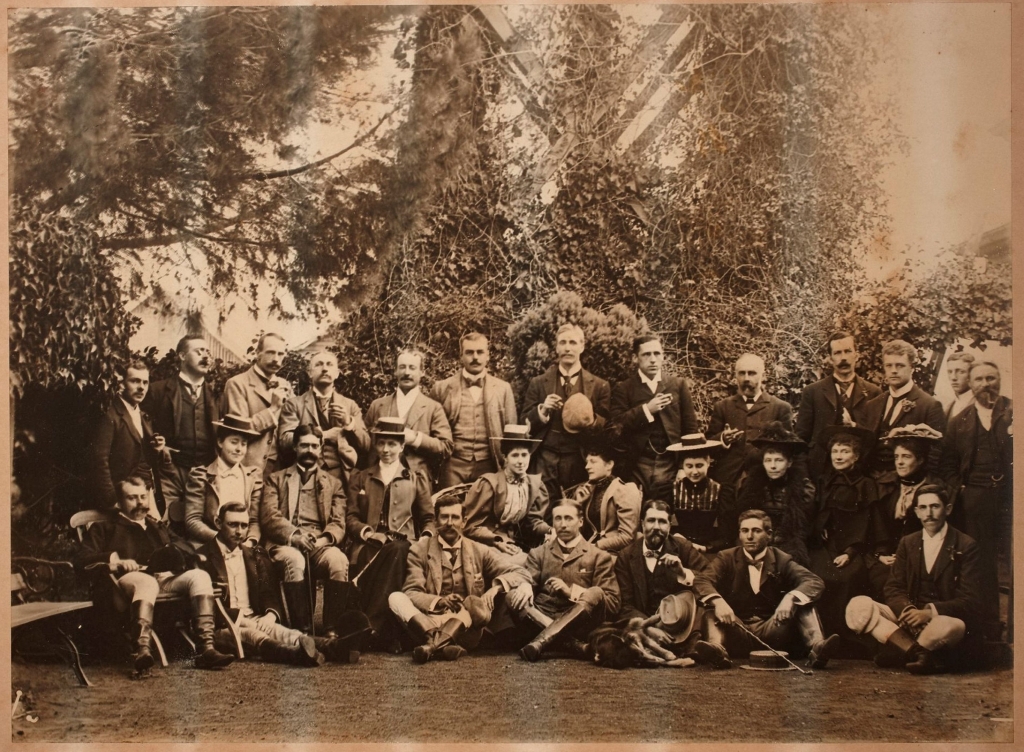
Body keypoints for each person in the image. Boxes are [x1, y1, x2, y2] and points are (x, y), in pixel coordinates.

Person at [74, 473, 235, 671]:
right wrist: (115, 561)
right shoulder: (105, 528)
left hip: (162, 579)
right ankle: (141, 650)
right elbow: (82, 560)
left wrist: (175, 554)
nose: (140, 503)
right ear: (119, 501)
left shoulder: (155, 525)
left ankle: (206, 649)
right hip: (124, 584)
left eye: (143, 497)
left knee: (200, 576)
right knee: (147, 582)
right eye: (132, 498)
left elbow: (183, 546)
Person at [200, 503, 362, 666]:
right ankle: (296, 654)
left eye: (244, 526)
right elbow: (205, 607)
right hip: (224, 626)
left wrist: (271, 615)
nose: (239, 531)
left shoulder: (253, 554)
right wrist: (241, 618)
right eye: (232, 524)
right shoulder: (203, 556)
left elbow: (267, 593)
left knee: (285, 632)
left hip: (255, 618)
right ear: (218, 523)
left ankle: (336, 647)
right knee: (254, 635)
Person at [846, 484, 984, 673]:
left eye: (935, 506)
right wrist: (907, 610)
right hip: (908, 619)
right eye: (923, 508)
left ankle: (899, 653)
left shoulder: (966, 545)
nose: (929, 513)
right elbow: (893, 587)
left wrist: (929, 613)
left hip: (941, 620)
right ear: (917, 512)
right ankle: (917, 653)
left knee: (952, 625)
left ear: (948, 509)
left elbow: (970, 599)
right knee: (857, 606)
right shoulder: (908, 542)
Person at [388, 495, 531, 662]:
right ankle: (441, 644)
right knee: (396, 598)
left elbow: (521, 573)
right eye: (444, 517)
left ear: (464, 521)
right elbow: (412, 592)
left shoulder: (479, 550)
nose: (450, 523)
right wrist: (439, 601)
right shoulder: (419, 550)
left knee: (472, 605)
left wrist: (496, 587)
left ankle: (431, 646)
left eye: (455, 517)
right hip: (428, 621)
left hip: (465, 625)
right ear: (435, 522)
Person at [692, 509, 840, 669]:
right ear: (739, 534)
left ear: (769, 535)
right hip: (736, 628)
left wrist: (791, 598)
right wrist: (718, 601)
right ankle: (717, 651)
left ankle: (817, 648)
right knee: (710, 610)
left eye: (756, 531)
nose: (749, 537)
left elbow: (814, 581)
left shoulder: (781, 559)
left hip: (773, 630)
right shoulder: (726, 557)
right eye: (744, 531)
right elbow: (701, 580)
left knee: (803, 601)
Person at [259, 424, 356, 637]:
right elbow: (269, 517)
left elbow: (338, 521)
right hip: (286, 542)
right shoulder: (276, 479)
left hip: (319, 542)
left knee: (338, 560)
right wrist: (295, 536)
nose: (309, 451)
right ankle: (300, 629)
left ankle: (331, 629)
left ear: (321, 448)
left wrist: (322, 540)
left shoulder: (334, 483)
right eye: (304, 445)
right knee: (295, 560)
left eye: (314, 446)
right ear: (295, 447)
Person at [939, 360, 1012, 640]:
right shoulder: (960, 421)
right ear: (971, 384)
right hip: (976, 501)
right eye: (979, 379)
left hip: (1010, 498)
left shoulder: (1014, 411)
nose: (986, 385)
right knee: (983, 565)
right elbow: (947, 463)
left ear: (999, 380)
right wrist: (960, 491)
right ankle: (990, 630)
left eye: (991, 378)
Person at [346, 417, 435, 641]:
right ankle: (389, 634)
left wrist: (424, 539)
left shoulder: (415, 478)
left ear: (402, 446)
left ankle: (372, 624)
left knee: (397, 550)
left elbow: (428, 518)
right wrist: (367, 532)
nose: (386, 450)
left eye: (392, 444)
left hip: (405, 545)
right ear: (375, 445)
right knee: (387, 554)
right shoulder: (361, 477)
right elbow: (351, 517)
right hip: (369, 544)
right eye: (381, 443)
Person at [507, 502, 620, 661]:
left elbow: (613, 603)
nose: (563, 524)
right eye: (558, 519)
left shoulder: (598, 556)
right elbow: (527, 581)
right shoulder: (539, 553)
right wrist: (525, 585)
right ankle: (573, 646)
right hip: (541, 616)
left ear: (580, 522)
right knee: (512, 595)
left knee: (596, 592)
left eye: (568, 518)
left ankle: (543, 640)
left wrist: (572, 592)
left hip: (579, 624)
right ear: (552, 523)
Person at [522, 323, 611, 501]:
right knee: (542, 509)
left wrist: (590, 418)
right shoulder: (539, 383)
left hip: (579, 459)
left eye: (572, 342)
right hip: (545, 459)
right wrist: (542, 410)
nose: (567, 348)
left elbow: (607, 427)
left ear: (582, 346)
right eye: (562, 342)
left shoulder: (600, 386)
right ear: (556, 347)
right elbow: (524, 421)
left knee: (576, 509)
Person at [613, 499, 710, 656]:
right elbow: (625, 604)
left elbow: (708, 578)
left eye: (662, 522)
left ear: (669, 526)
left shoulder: (683, 547)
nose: (656, 527)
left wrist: (683, 573)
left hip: (683, 626)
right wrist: (650, 627)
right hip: (645, 626)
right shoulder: (626, 556)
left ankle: (692, 649)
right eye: (651, 521)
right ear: (642, 524)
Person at [807, 425, 878, 636]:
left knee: (846, 578)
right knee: (816, 576)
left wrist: (850, 552)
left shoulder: (865, 484)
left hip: (852, 547)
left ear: (856, 456)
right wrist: (819, 529)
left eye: (845, 451)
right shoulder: (824, 482)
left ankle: (844, 639)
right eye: (835, 451)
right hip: (823, 546)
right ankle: (817, 637)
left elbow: (867, 522)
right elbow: (815, 514)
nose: (839, 456)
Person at [609, 334, 698, 502]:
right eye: (646, 354)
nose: (652, 359)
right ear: (635, 358)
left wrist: (683, 467)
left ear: (663, 356)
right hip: (637, 464)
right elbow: (616, 427)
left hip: (670, 463)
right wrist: (647, 410)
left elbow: (690, 430)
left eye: (657, 354)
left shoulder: (677, 385)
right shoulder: (624, 388)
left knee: (665, 511)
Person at [142, 335, 219, 527]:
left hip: (204, 472)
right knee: (168, 523)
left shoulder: (216, 394)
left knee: (201, 524)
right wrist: (158, 446)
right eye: (198, 351)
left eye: (207, 351)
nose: (206, 356)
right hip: (170, 471)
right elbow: (141, 423)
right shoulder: (158, 390)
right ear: (182, 356)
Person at [429, 332, 518, 487]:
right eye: (469, 352)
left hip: (489, 463)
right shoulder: (441, 388)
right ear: (461, 356)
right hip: (453, 464)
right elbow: (431, 430)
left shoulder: (503, 389)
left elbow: (511, 431)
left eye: (480, 352)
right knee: (450, 506)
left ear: (488, 356)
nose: (475, 357)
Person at [868, 425, 946, 600]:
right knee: (878, 578)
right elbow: (877, 526)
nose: (900, 462)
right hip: (888, 554)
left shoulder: (934, 489)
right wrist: (881, 554)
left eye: (906, 457)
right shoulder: (885, 486)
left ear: (920, 460)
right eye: (896, 457)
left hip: (921, 555)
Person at [795, 332, 882, 483]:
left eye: (848, 351)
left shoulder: (874, 392)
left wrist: (854, 427)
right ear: (830, 358)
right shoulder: (813, 392)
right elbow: (801, 438)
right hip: (819, 474)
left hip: (858, 477)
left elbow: (875, 437)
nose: (843, 358)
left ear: (857, 355)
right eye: (837, 353)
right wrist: (804, 475)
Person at [278, 349, 370, 487]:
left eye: (329, 364)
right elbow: (285, 441)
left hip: (342, 477)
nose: (325, 369)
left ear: (337, 373)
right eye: (319, 364)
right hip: (304, 475)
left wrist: (349, 423)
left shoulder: (350, 405)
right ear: (310, 373)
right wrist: (323, 435)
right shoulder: (294, 404)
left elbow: (366, 445)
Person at [729, 422, 813, 566]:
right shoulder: (751, 486)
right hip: (755, 539)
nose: (773, 466)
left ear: (789, 462)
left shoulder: (803, 488)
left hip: (788, 542)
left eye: (779, 460)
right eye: (768, 460)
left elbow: (802, 527)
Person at [364, 347, 453, 483]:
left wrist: (415, 439)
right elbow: (365, 444)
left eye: (412, 368)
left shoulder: (433, 408)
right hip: (380, 479)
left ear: (422, 372)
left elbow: (445, 447)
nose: (406, 373)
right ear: (395, 371)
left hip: (417, 482)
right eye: (402, 367)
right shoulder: (378, 405)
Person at [462, 425, 550, 561]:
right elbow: (470, 527)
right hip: (488, 542)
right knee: (522, 564)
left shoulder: (533, 485)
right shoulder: (490, 484)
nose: (521, 461)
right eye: (515, 455)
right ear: (505, 458)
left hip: (517, 543)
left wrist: (550, 530)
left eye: (524, 455)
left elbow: (533, 522)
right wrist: (497, 541)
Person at [707, 353, 793, 490]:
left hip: (765, 482)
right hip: (728, 481)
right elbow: (708, 446)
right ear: (735, 376)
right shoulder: (722, 407)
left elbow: (789, 449)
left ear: (763, 376)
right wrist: (723, 439)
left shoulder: (780, 408)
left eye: (752, 373)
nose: (746, 378)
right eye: (742, 373)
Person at [88, 359, 161, 511]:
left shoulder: (143, 415)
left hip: (146, 494)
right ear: (121, 384)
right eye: (135, 381)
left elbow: (142, 457)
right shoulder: (110, 415)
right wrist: (112, 500)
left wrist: (157, 449)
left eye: (145, 382)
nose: (141, 387)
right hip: (122, 499)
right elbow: (99, 460)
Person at [862, 339, 944, 473]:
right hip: (872, 482)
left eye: (900, 365)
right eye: (889, 365)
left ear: (912, 367)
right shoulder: (872, 405)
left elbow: (935, 455)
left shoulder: (929, 406)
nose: (893, 371)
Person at [221, 332, 294, 474]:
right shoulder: (237, 384)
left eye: (280, 354)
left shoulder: (284, 385)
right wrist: (273, 409)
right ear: (257, 353)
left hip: (281, 468)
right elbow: (238, 432)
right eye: (270, 353)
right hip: (247, 467)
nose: (276, 359)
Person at [184, 415, 264, 546]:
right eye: (234, 442)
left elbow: (254, 520)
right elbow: (192, 520)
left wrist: (249, 542)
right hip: (209, 543)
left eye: (243, 444)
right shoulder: (201, 475)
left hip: (243, 545)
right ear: (220, 442)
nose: (239, 449)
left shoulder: (252, 477)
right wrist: (219, 540)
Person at [566, 435, 642, 556]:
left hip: (615, 555)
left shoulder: (624, 490)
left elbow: (628, 537)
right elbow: (573, 530)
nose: (587, 467)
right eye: (586, 462)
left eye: (593, 462)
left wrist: (596, 546)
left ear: (609, 465)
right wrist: (578, 504)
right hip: (589, 552)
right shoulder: (589, 490)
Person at [666, 434, 730, 553]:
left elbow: (727, 534)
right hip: (679, 547)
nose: (694, 472)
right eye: (689, 466)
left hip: (709, 549)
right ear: (683, 466)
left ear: (708, 463)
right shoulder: (672, 489)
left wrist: (706, 547)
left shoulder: (719, 490)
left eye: (699, 466)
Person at [942, 351, 976, 425]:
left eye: (961, 372)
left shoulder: (981, 405)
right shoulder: (948, 407)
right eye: (950, 372)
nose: (953, 377)